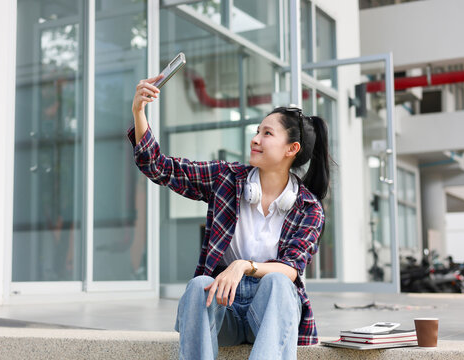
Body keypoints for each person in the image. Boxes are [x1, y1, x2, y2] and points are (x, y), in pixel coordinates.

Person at [129, 74, 330, 360]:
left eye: (267, 134)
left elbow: (291, 268)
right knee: (199, 286)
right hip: (226, 307)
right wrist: (139, 112)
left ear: (291, 149)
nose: (255, 139)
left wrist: (242, 266)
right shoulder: (227, 179)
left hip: (271, 313)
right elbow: (160, 167)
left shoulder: (308, 207)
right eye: (257, 131)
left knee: (279, 283)